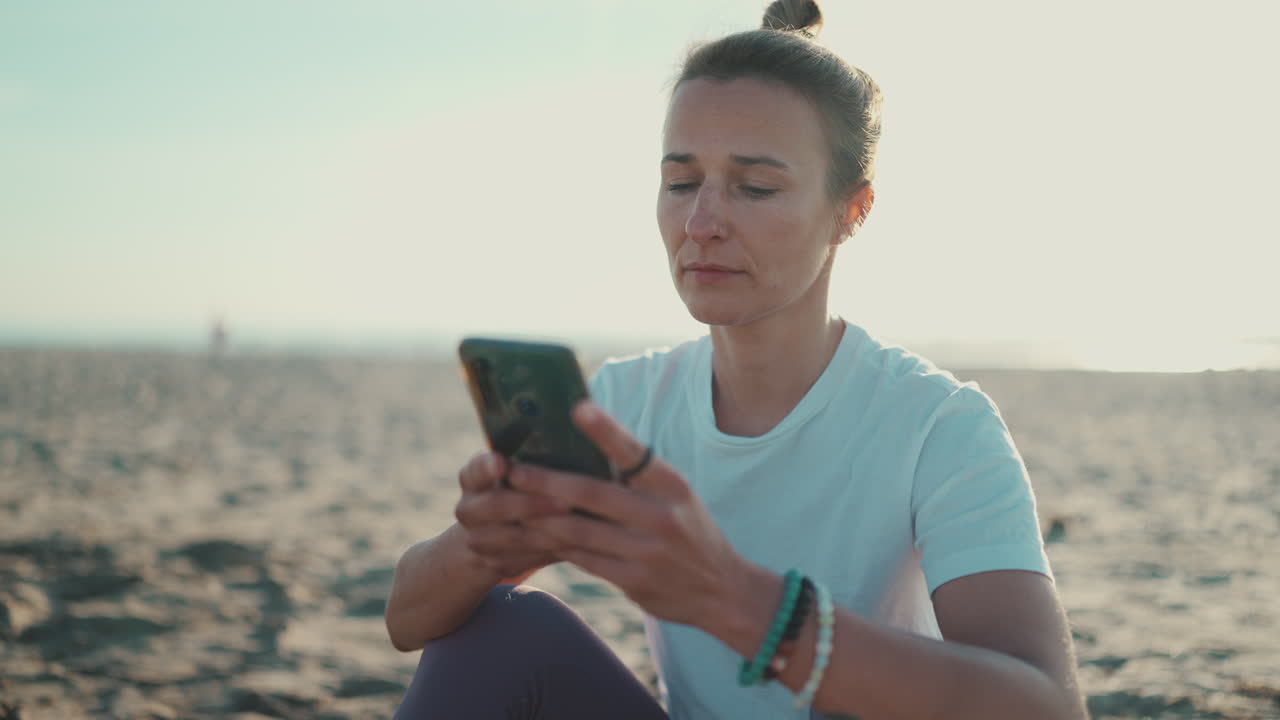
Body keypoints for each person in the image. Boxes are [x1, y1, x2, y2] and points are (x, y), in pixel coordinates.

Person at [386, 2, 1088, 718]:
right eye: (682, 182)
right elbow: (406, 621)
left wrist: (734, 599)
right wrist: (482, 546)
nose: (701, 224)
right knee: (505, 631)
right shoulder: (623, 409)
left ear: (852, 209)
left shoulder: (938, 427)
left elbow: (1048, 709)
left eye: (754, 187)